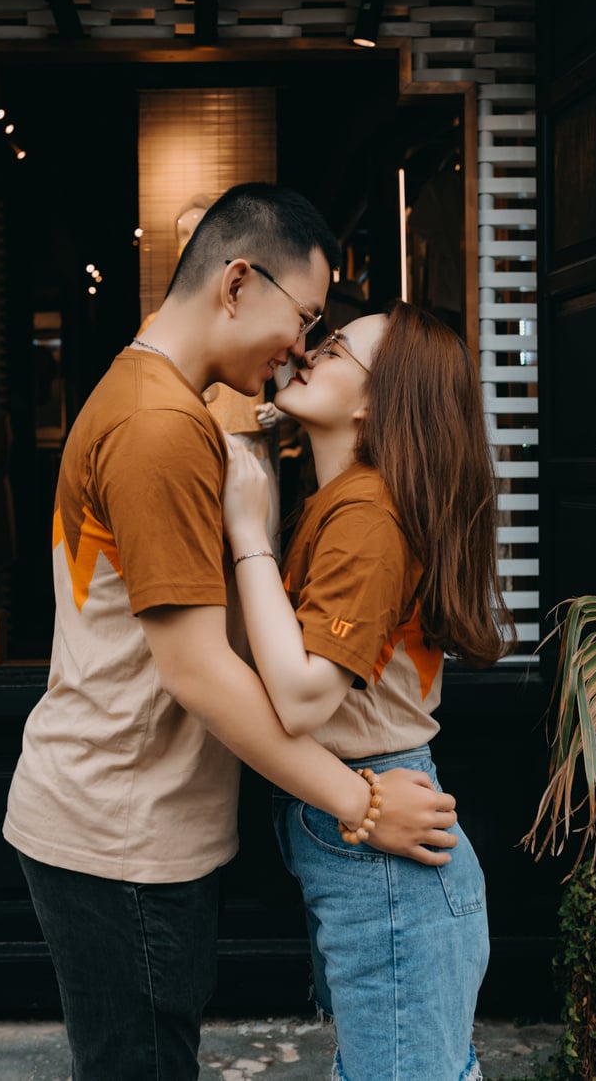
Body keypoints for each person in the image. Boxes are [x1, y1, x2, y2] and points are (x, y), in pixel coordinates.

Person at [2, 185, 461, 1081]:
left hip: (136, 818)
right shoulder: (159, 426)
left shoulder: (165, 401)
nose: (302, 348)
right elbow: (200, 673)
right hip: (123, 827)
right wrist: (363, 803)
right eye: (308, 318)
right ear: (238, 282)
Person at [222, 301, 516, 1081]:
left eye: (339, 347)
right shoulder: (344, 502)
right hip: (373, 831)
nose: (311, 352)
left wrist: (250, 538)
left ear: (378, 399)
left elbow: (303, 699)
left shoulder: (369, 513)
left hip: (385, 844)